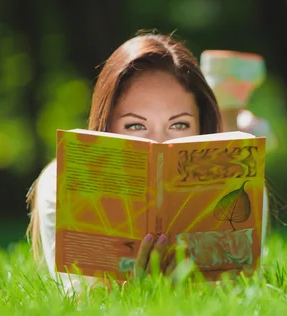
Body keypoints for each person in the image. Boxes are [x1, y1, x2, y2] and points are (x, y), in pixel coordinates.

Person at [26, 32, 269, 293]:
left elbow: (240, 298)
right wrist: (134, 288)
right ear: (106, 127)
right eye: (135, 125)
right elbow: (77, 301)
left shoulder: (242, 183)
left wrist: (186, 287)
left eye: (178, 124)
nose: (159, 142)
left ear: (201, 127)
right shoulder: (60, 181)